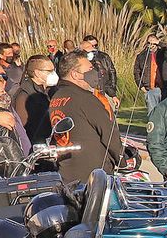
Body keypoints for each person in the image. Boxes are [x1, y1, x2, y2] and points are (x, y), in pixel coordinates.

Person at [48, 49, 124, 184]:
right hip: (94, 175)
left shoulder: (56, 97)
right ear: (75, 75)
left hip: (67, 171)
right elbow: (108, 132)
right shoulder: (84, 98)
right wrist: (122, 160)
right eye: (89, 69)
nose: (94, 72)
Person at [11, 54, 57, 146]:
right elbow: (25, 129)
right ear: (37, 73)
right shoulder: (24, 96)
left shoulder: (48, 90)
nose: (53, 73)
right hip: (37, 148)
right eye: (50, 71)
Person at [134, 33, 167, 112]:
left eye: (154, 43)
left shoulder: (163, 53)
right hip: (149, 89)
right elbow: (137, 72)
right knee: (152, 113)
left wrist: (159, 43)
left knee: (165, 113)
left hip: (164, 88)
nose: (151, 45)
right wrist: (141, 87)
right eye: (149, 43)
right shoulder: (141, 56)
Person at [80, 34, 119, 107]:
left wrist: (112, 93)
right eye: (91, 46)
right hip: (91, 93)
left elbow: (112, 72)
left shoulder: (104, 56)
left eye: (95, 45)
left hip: (106, 91)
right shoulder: (81, 59)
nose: (93, 48)